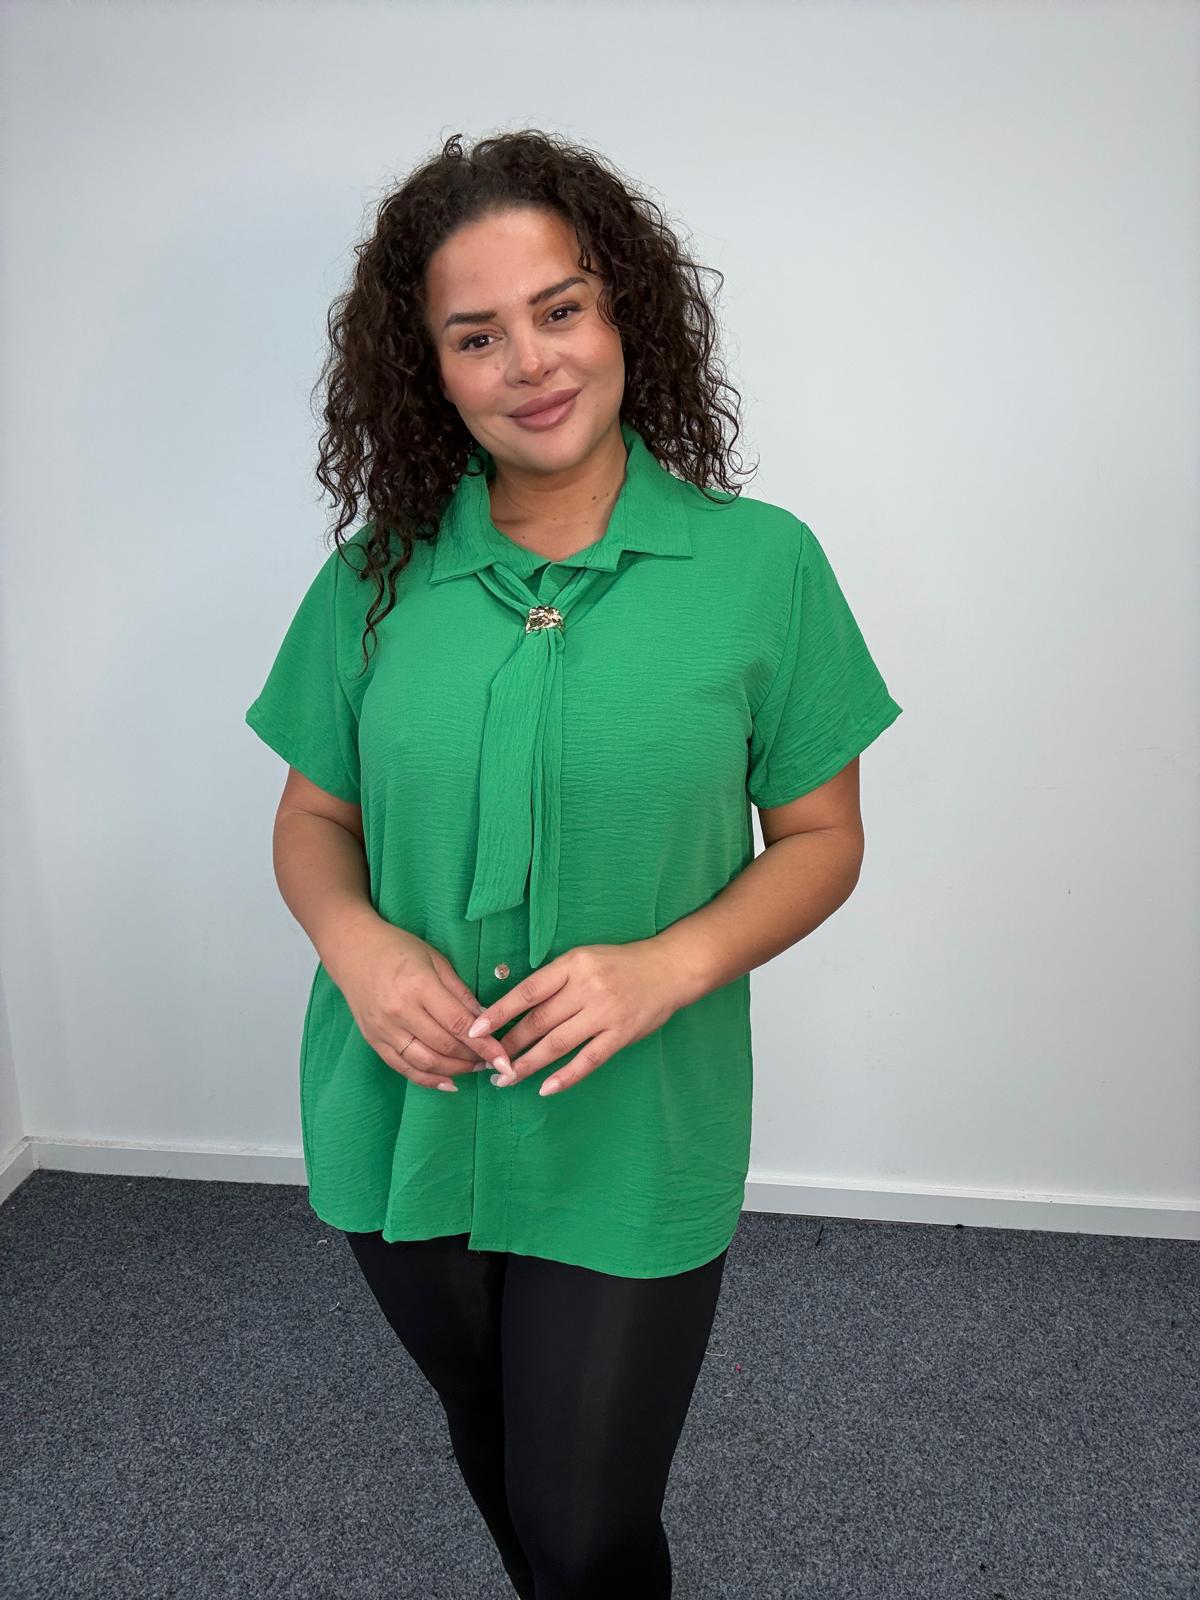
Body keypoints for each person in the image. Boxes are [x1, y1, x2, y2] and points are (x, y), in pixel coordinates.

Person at [245, 129, 903, 1599]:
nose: (530, 362)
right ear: (428, 369)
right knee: (497, 1438)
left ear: (625, 317)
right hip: (404, 1104)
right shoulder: (373, 578)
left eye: (561, 309)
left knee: (591, 1519)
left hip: (631, 1121)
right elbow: (311, 820)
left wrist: (667, 966)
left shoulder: (763, 567)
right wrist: (359, 946)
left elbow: (822, 839)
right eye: (477, 334)